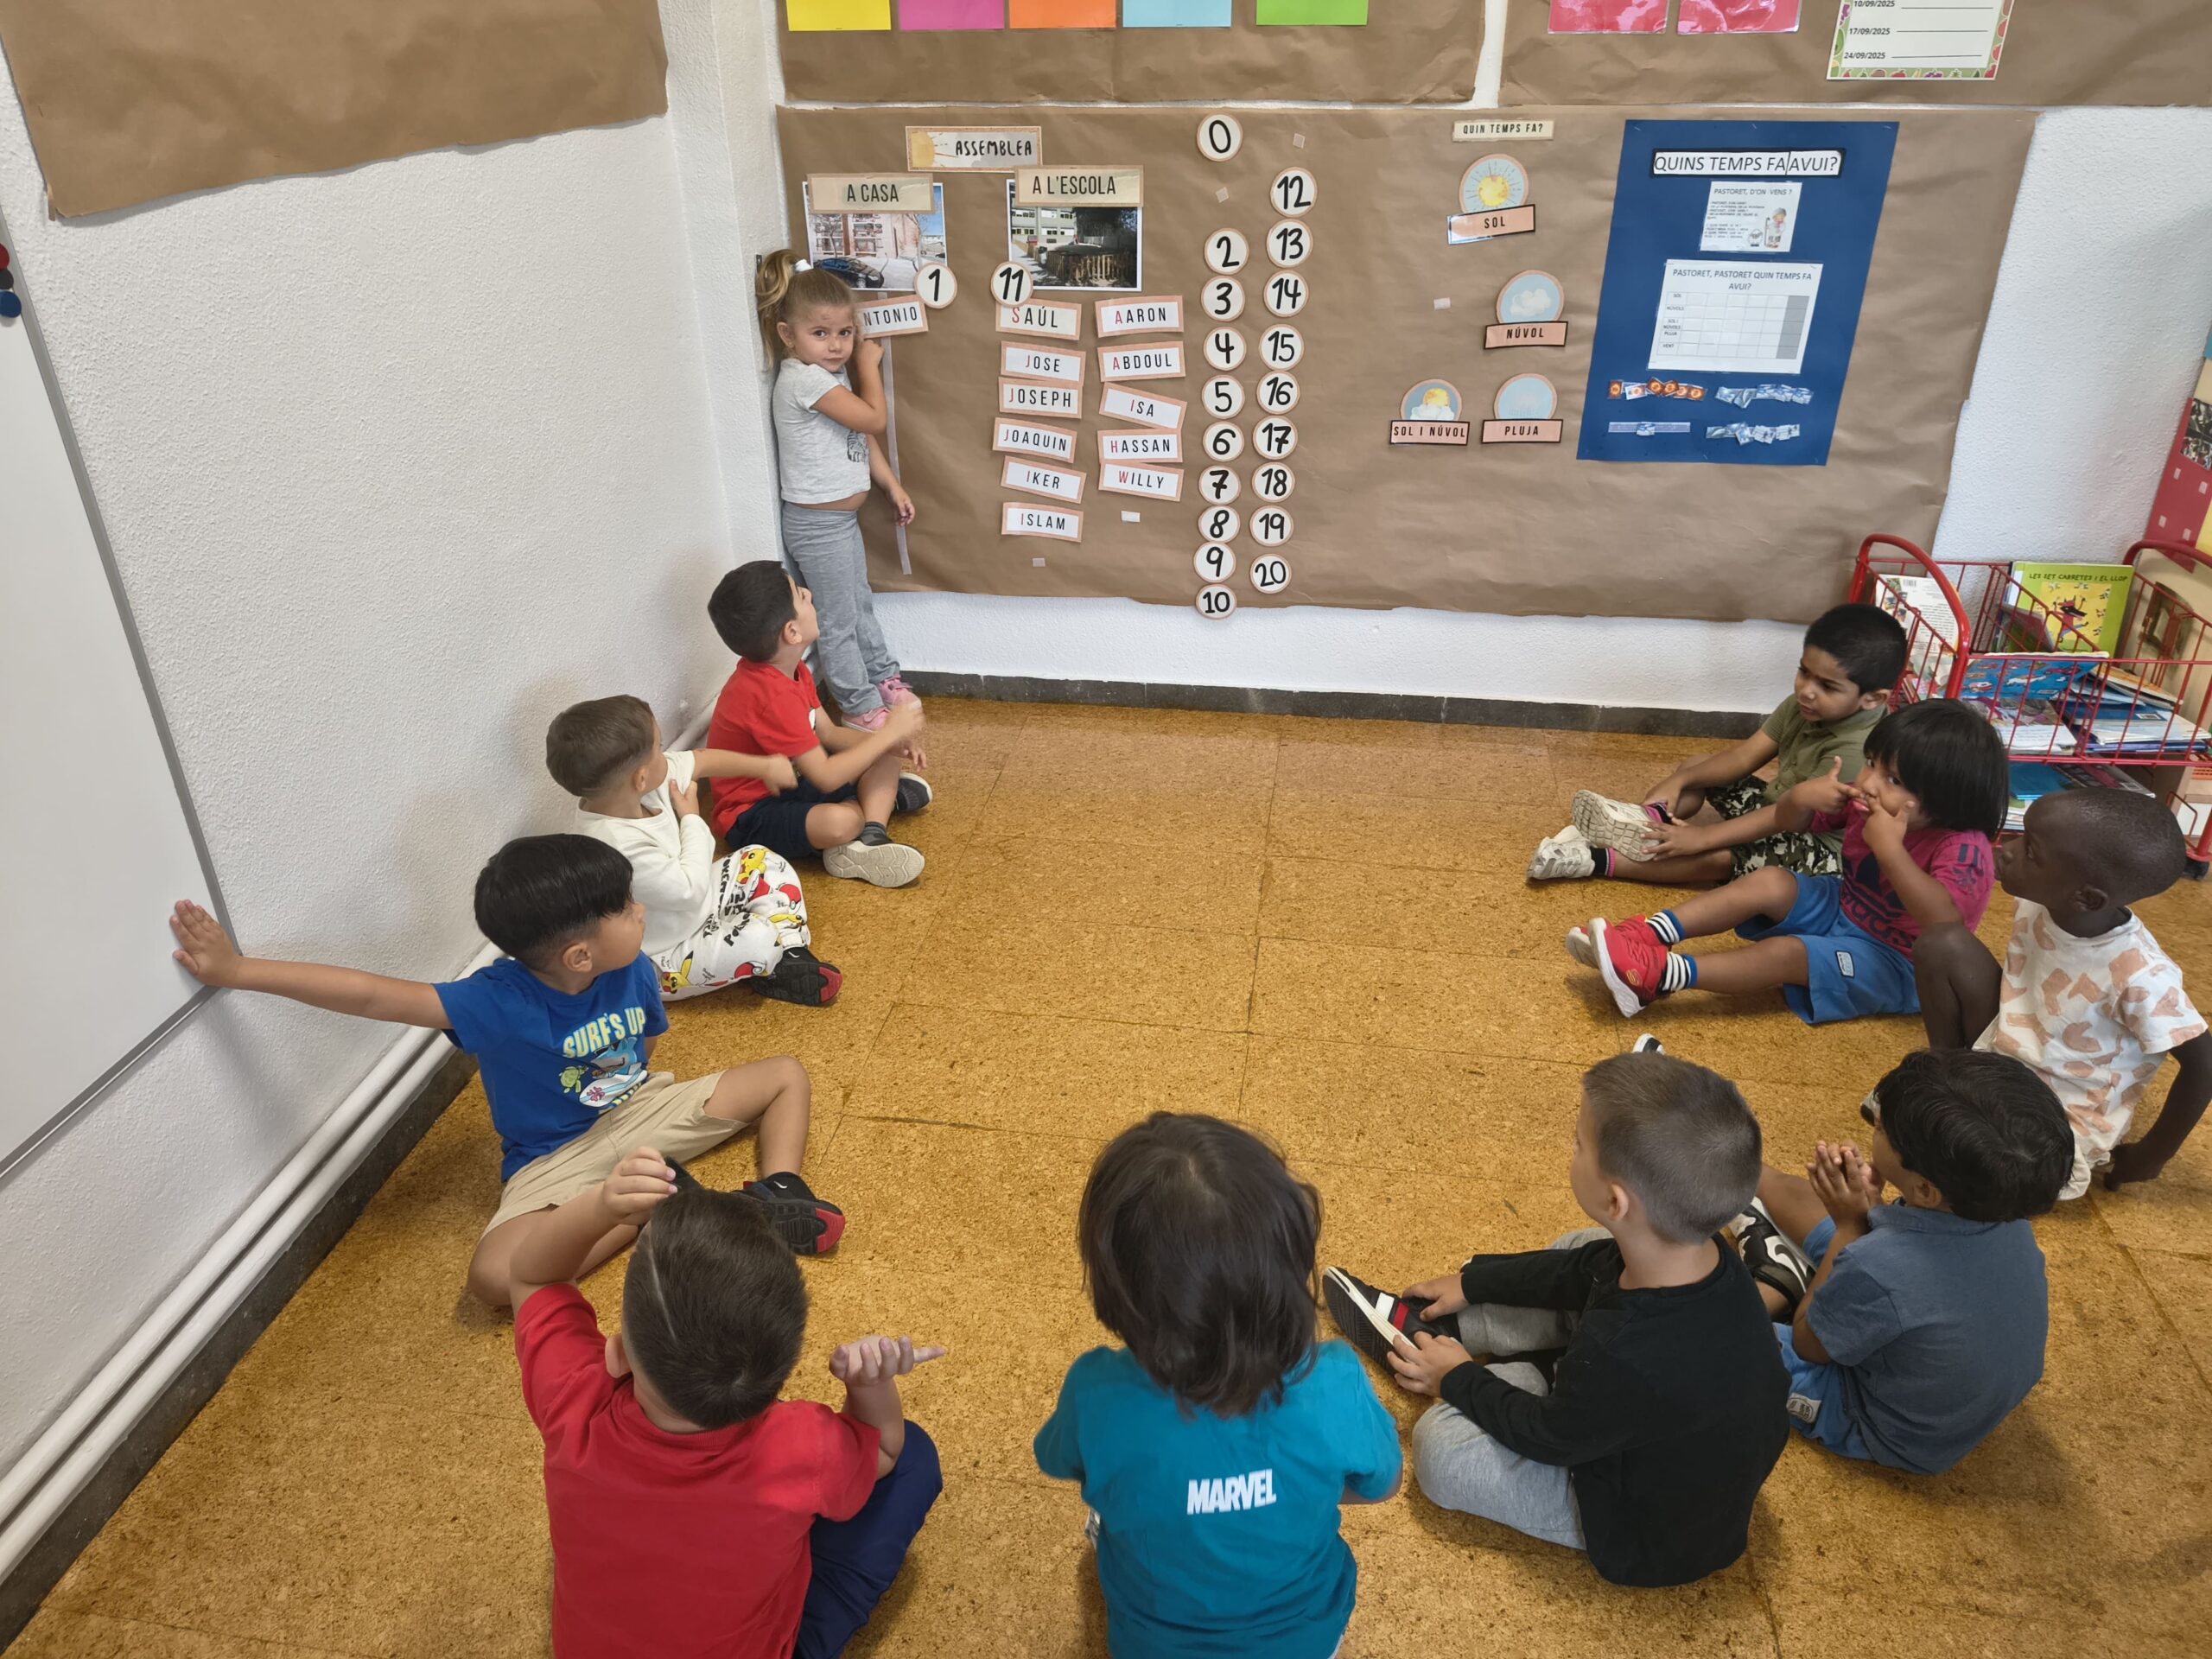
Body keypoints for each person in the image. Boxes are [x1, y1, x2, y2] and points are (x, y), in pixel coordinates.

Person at [165, 835, 844, 1307]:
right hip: (552, 1158)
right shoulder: (493, 1001)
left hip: (641, 1110)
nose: (640, 911)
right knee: (493, 1280)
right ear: (579, 956)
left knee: (785, 1073)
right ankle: (647, 1213)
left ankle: (777, 1188)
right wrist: (238, 970)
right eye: (624, 907)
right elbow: (370, 994)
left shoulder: (634, 968)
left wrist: (642, 1114)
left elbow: (647, 1050)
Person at [1322, 1046, 1786, 1588]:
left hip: (1638, 1525)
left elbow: (1550, 1437)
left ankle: (1459, 1355)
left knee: (1440, 1452)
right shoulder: (1707, 1257)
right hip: (1640, 1415)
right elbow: (1588, 1267)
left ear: (1616, 1201)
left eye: (1578, 1144)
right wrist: (1474, 1283)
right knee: (1582, 1249)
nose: (1572, 1149)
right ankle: (1447, 1332)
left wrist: (1458, 1380)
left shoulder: (1625, 1355)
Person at [512, 1147, 942, 1658]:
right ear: (780, 1375)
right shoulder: (804, 1445)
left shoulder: (574, 1399)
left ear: (618, 1353)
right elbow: (885, 1450)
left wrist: (602, 1206)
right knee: (913, 1456)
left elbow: (534, 1277)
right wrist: (869, 1386)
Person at [1033, 1114, 1402, 1659]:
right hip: (1308, 1639)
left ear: (1117, 1288)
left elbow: (1062, 1463)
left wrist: (1191, 1495)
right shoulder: (1335, 1381)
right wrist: (1275, 1492)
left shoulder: (1096, 1394)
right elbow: (1382, 1486)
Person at [1727, 1049, 2072, 1474]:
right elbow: (1907, 1275)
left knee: (1709, 1334)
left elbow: (1808, 1346)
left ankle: (1780, 1283)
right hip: (1931, 1378)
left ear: (1925, 1190)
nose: (1874, 1121)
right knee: (1824, 1208)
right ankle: (1726, 1156)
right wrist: (1865, 1212)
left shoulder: (1879, 1266)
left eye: (1881, 1127)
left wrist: (1850, 1227)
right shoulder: (2004, 1214)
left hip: (1875, 1423)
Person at [1567, 698, 2006, 1025]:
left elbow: (1944, 925)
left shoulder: (1964, 849)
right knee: (1770, 881)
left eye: (1892, 779)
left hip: (1897, 962)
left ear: (1946, 802)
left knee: (1788, 953)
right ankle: (1647, 935)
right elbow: (1790, 822)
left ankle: (1658, 975)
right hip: (1844, 905)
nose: (1869, 782)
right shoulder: (1867, 802)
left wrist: (1890, 850)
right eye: (1872, 763)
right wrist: (1802, 797)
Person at [1915, 787, 2212, 1197]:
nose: (2007, 850)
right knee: (1942, 945)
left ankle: (1957, 1102)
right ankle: (1947, 1072)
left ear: (2086, 897)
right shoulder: (2042, 902)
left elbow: (2204, 1063)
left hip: (2057, 1114)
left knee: (1974, 1167)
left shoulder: (2141, 976)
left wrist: (2153, 1154)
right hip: (2008, 1051)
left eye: (2030, 851)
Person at [1533, 602, 1905, 887]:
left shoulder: (1859, 752)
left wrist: (1701, 838)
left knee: (1725, 856)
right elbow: (1744, 757)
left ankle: (1594, 859)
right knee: (1698, 767)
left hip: (1818, 849)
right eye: (1803, 672)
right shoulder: (1803, 706)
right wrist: (1680, 781)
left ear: (1872, 698)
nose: (1806, 690)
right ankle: (1642, 823)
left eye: (1827, 686)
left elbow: (1786, 818)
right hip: (1777, 809)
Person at [549, 694, 840, 1007]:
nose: (667, 755)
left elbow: (699, 761)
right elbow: (690, 890)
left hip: (693, 903)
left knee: (760, 859)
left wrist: (765, 766)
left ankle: (791, 953)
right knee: (759, 939)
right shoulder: (615, 846)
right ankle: (770, 958)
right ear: (641, 778)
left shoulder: (635, 789)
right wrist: (691, 819)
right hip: (667, 952)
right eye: (660, 748)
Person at [757, 248, 918, 734]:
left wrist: (890, 484)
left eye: (845, 333)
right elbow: (873, 418)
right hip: (816, 525)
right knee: (836, 619)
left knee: (858, 604)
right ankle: (857, 705)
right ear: (788, 335)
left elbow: (860, 435)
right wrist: (868, 364)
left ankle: (882, 679)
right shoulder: (804, 381)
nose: (836, 345)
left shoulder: (827, 375)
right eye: (821, 334)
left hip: (839, 521)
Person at [706, 562, 931, 888]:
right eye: (800, 595)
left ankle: (871, 836)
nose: (809, 593)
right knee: (843, 821)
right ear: (792, 632)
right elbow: (825, 776)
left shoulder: (792, 669)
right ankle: (867, 814)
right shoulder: (770, 695)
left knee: (883, 757)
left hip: (796, 780)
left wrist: (888, 743)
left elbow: (829, 733)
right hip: (751, 813)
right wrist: (888, 735)